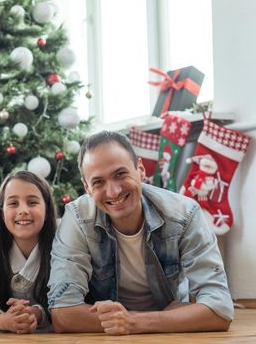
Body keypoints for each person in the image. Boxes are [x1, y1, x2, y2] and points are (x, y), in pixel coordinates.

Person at [48, 131, 233, 335]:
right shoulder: (77, 218)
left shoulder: (184, 213)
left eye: (120, 174)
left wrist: (134, 322)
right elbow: (62, 313)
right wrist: (157, 320)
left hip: (161, 333)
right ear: (87, 188)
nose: (113, 191)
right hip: (160, 325)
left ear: (141, 169)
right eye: (98, 182)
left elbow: (220, 308)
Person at [0, 171, 57, 333]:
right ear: (2, 213)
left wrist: (36, 314)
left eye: (32, 202)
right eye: (13, 203)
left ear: (47, 210)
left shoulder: (62, 245)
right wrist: (3, 320)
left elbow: (68, 300)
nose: (23, 210)